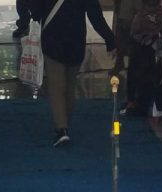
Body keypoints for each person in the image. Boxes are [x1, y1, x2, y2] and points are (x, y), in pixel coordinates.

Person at [32, 0, 115, 146]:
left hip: (53, 39)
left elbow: (35, 11)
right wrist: (110, 39)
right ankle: (65, 124)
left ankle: (61, 129)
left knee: (56, 86)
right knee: (70, 86)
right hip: (76, 41)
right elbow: (95, 16)